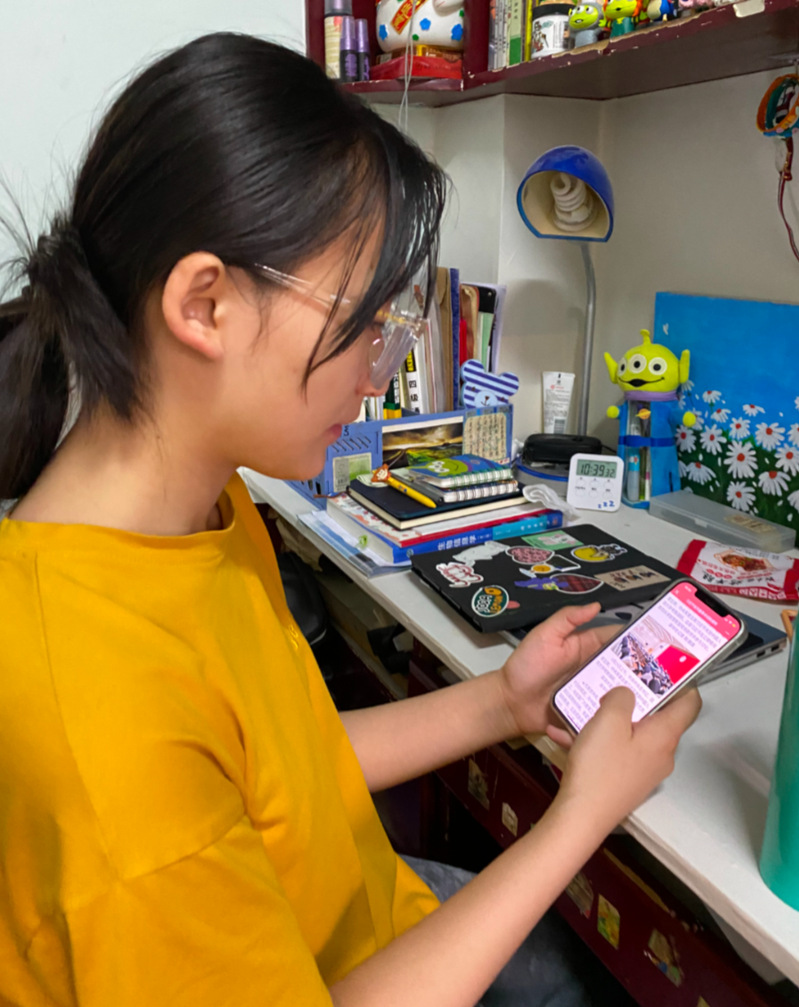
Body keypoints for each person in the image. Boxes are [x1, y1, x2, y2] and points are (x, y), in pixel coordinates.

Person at [0, 32, 700, 1007]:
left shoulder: (201, 509)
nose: (378, 375)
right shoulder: (102, 731)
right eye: (365, 326)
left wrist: (501, 703)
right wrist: (581, 815)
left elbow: (280, 766)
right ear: (205, 304)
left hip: (365, 917)